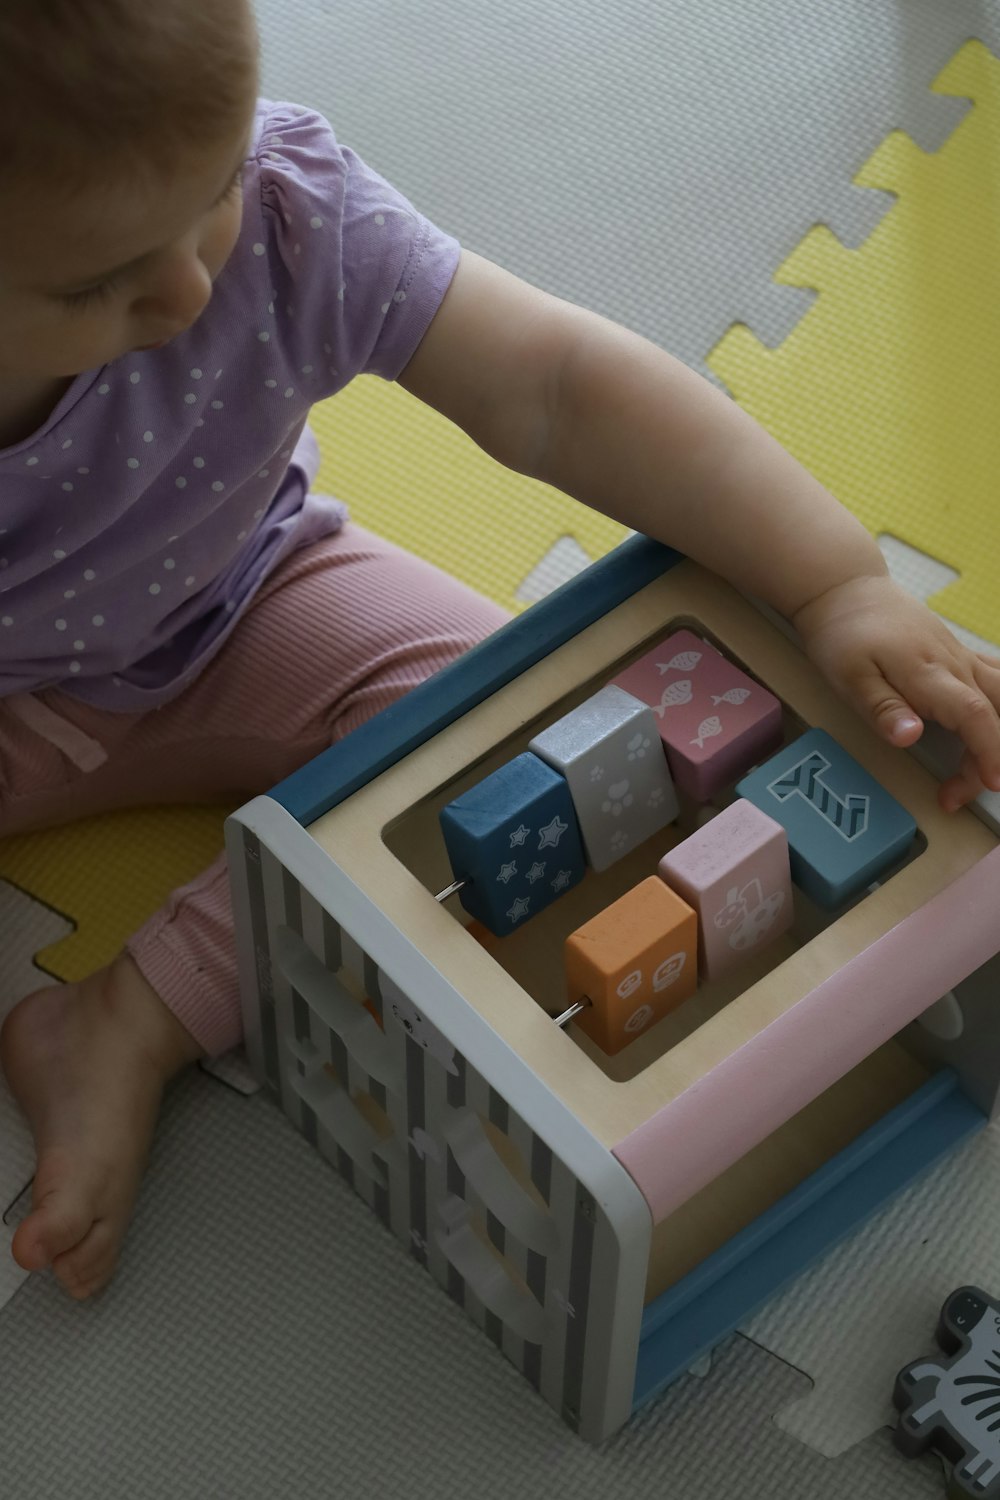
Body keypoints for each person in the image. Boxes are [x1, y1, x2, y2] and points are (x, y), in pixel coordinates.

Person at [0, 0, 997, 1304]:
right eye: (95, 281)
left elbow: (558, 385)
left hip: (256, 597)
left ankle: (133, 1013)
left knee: (539, 744)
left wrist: (835, 584)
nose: (191, 283)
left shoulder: (293, 223)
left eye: (217, 183)